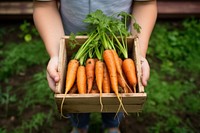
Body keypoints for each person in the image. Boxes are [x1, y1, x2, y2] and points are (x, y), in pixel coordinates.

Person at [33, 0, 157, 133]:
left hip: (118, 41)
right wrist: (56, 55)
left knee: (119, 95)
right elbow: (44, 5)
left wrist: (139, 55)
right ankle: (80, 126)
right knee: (76, 100)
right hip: (70, 39)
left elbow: (145, 3)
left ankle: (112, 125)